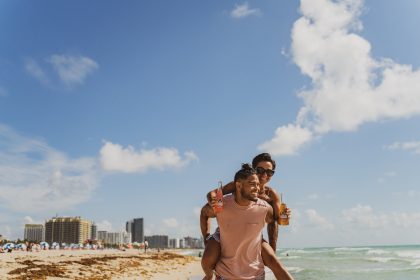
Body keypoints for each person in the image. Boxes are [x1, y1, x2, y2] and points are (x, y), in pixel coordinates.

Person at [201, 153, 293, 279]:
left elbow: (276, 220)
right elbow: (213, 194)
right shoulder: (237, 184)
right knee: (207, 259)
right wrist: (214, 200)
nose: (265, 175)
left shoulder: (271, 194)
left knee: (274, 262)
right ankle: (209, 275)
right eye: (260, 170)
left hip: (253, 232)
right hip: (228, 228)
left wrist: (285, 217)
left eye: (269, 172)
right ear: (254, 169)